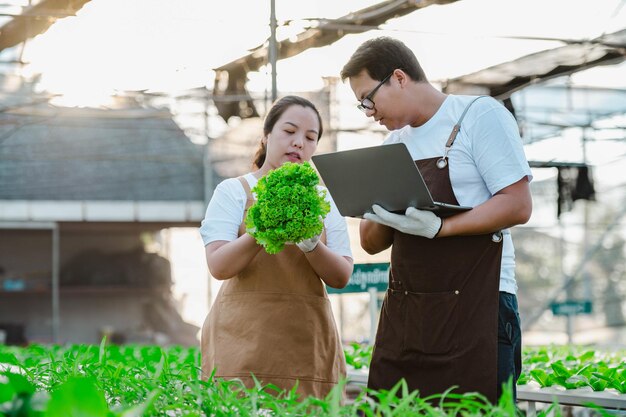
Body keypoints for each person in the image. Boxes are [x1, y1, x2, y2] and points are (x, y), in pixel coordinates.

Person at [340, 37, 532, 403]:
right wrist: (377, 206)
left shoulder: (478, 115)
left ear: (398, 77)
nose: (368, 112)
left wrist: (441, 228)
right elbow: (371, 242)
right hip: (410, 314)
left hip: (481, 307)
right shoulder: (393, 145)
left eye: (368, 99)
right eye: (361, 104)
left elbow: (517, 204)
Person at [199, 95, 354, 399]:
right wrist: (261, 230)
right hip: (241, 341)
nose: (299, 143)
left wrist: (312, 246)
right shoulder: (234, 191)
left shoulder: (324, 201)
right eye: (289, 131)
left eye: (311, 138)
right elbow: (219, 265)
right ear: (267, 135)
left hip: (307, 342)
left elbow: (342, 275)